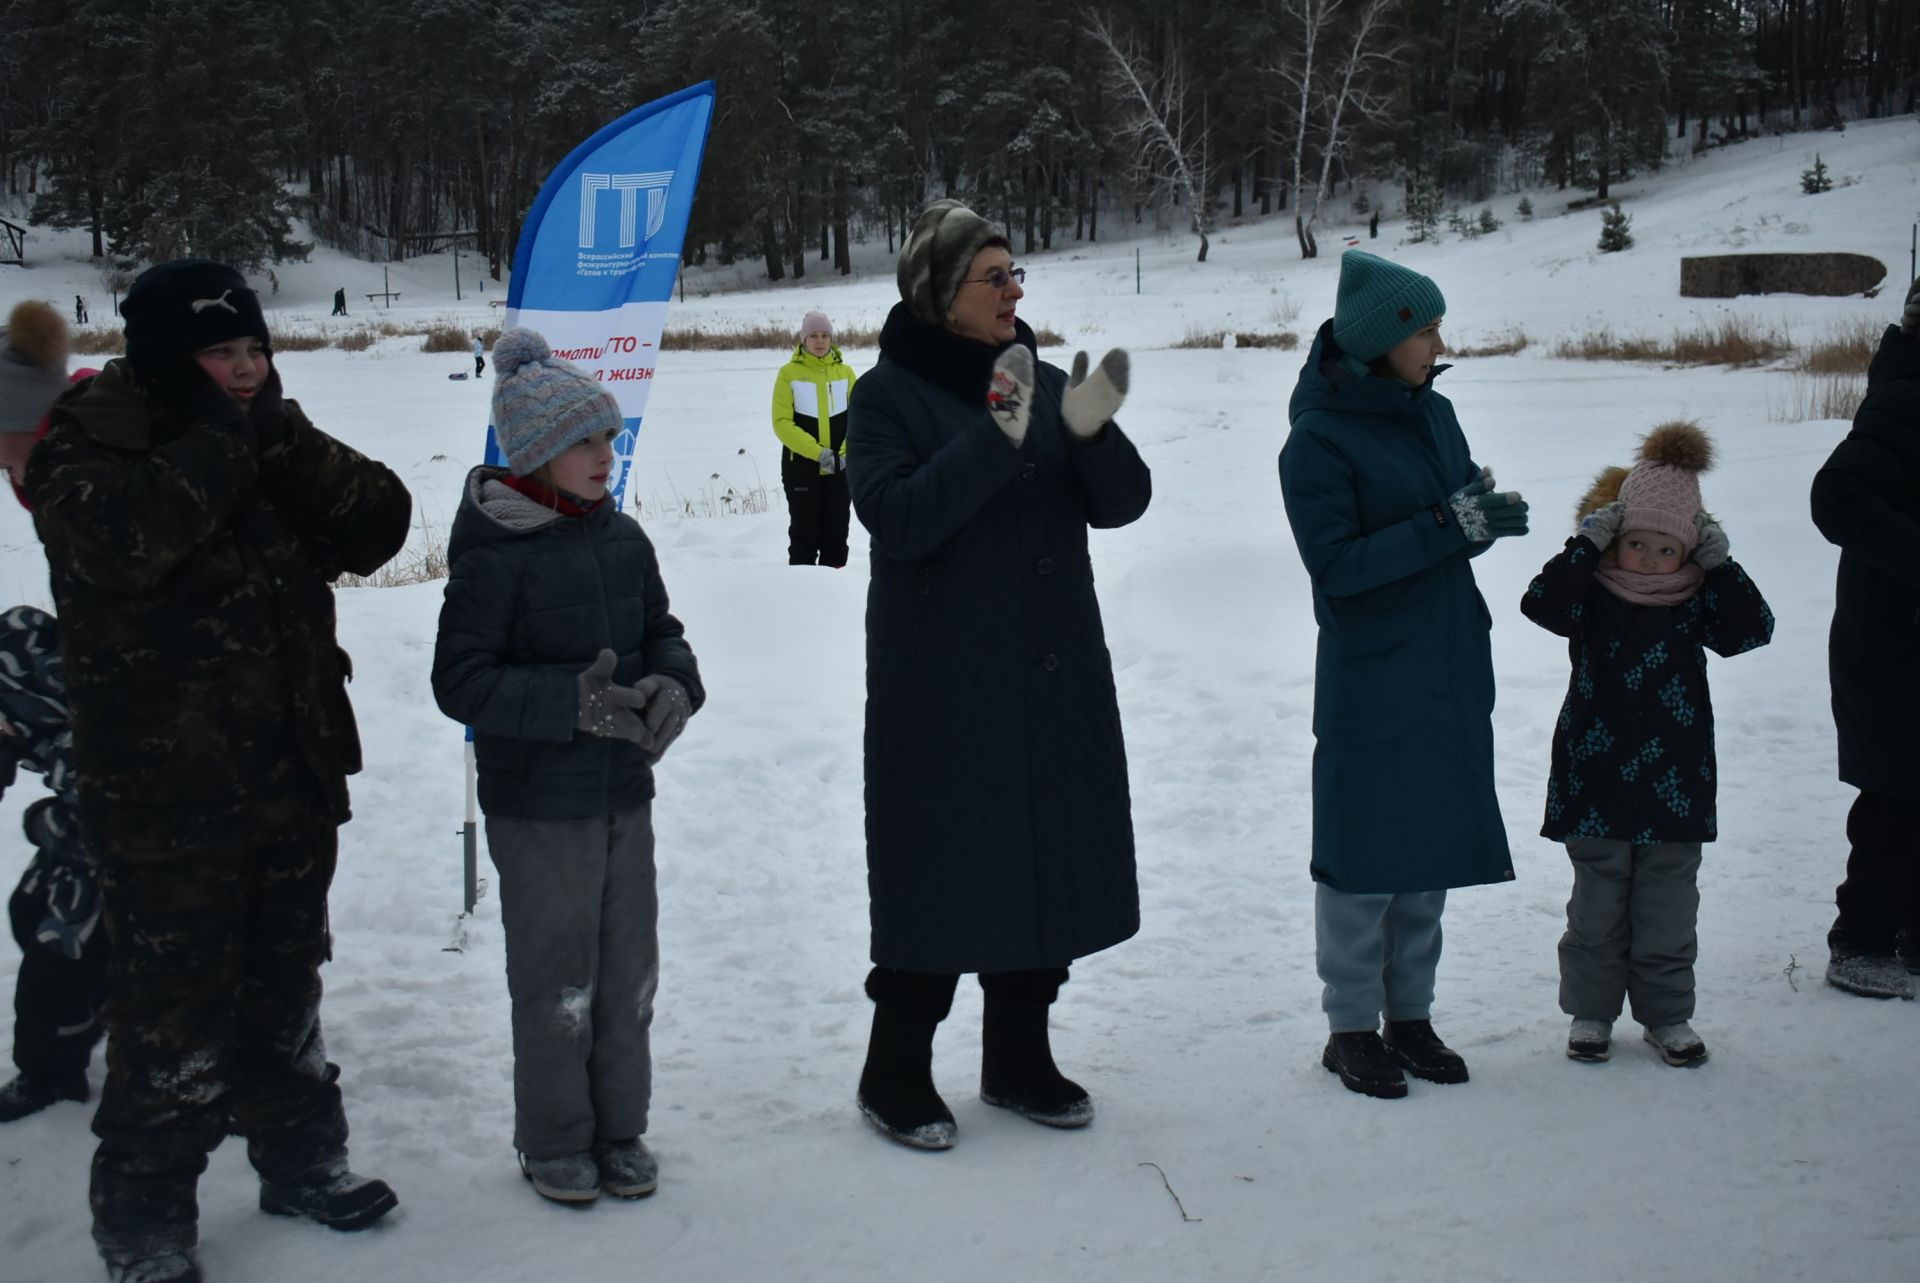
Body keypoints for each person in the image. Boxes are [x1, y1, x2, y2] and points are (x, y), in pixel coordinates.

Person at [25, 259, 411, 1283]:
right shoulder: (88, 443)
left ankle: (301, 1160)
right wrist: (217, 440)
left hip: (289, 768)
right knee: (170, 1010)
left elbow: (380, 523)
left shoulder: (264, 429)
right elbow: (122, 545)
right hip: (164, 795)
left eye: (254, 350)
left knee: (286, 984)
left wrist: (279, 436)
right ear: (165, 359)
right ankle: (145, 1216)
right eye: (221, 353)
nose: (244, 371)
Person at [846, 199, 1150, 1150]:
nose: (1015, 290)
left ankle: (1018, 1055)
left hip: (1051, 678)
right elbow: (899, 517)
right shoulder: (885, 396)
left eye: (1018, 274)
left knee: (1044, 859)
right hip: (945, 690)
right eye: (995, 277)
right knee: (939, 869)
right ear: (942, 295)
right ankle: (894, 1068)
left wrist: (1092, 429)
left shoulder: (1044, 378)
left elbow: (1125, 503)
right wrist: (996, 430)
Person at [432, 328, 703, 1204]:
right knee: (558, 980)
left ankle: (620, 1127)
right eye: (589, 439)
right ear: (541, 452)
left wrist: (674, 685)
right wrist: (569, 704)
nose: (607, 451)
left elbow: (662, 631)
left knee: (627, 974)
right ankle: (553, 1137)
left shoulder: (622, 536)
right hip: (539, 805)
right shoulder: (492, 553)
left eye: (610, 435)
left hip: (626, 791)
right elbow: (461, 680)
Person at [1278, 250, 1525, 1100]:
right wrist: (1447, 522)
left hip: (1449, 657)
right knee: (1363, 861)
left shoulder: (1437, 410)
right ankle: (1350, 1027)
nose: (1437, 340)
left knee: (1427, 853)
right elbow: (1338, 566)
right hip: (1372, 674)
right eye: (1424, 328)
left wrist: (1478, 516)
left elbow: (1448, 521)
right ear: (1382, 339)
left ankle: (1409, 1017)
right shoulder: (1316, 440)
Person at [1521, 421, 1774, 1066]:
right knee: (1596, 909)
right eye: (1636, 544)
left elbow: (1754, 630)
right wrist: (1586, 544)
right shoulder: (1592, 593)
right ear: (1616, 536)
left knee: (1668, 907)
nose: (1651, 561)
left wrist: (1720, 565)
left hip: (1676, 781)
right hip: (1595, 774)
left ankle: (1667, 1016)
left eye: (1668, 550)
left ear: (1690, 553)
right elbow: (1541, 604)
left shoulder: (1696, 599)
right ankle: (1590, 1014)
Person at [0, 301, 109, 1123]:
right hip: (91, 687)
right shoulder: (48, 459)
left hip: (142, 716)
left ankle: (55, 1059)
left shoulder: (85, 461)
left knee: (67, 904)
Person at [1811, 275, 1920, 1001]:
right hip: (1894, 644)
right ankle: (1864, 938)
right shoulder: (1909, 398)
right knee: (1897, 795)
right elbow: (1837, 496)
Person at [771, 310, 857, 567]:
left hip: (840, 471)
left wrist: (843, 454)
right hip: (801, 470)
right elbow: (782, 424)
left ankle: (835, 595)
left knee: (837, 537)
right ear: (803, 340)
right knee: (803, 537)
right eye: (813, 336)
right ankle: (802, 596)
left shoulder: (846, 373)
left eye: (825, 335)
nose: (820, 341)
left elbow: (860, 419)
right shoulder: (789, 374)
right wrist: (820, 454)